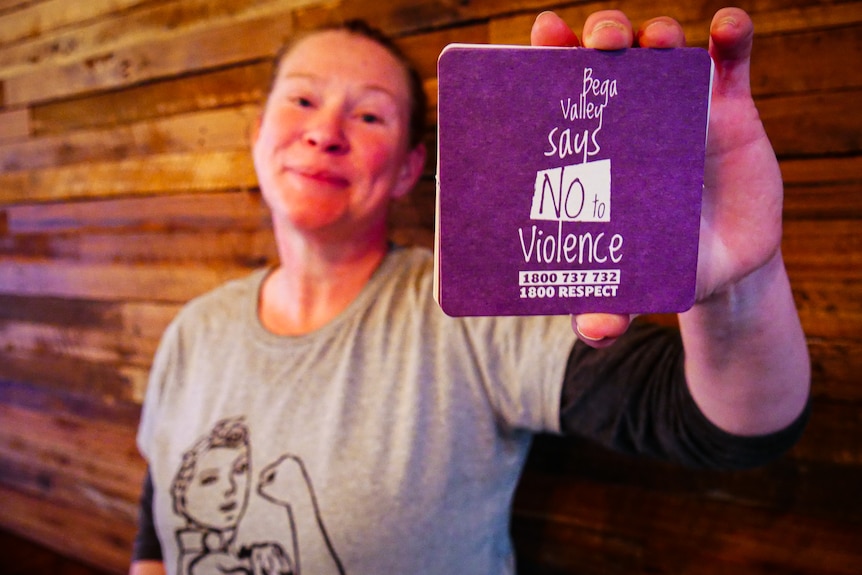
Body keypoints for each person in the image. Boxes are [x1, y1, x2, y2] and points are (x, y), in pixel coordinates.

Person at [129, 7, 811, 575]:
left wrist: (737, 283)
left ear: (408, 169)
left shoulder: (473, 305)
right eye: (302, 99)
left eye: (369, 117)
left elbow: (723, 430)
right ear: (257, 135)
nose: (324, 132)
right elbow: (159, 524)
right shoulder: (195, 328)